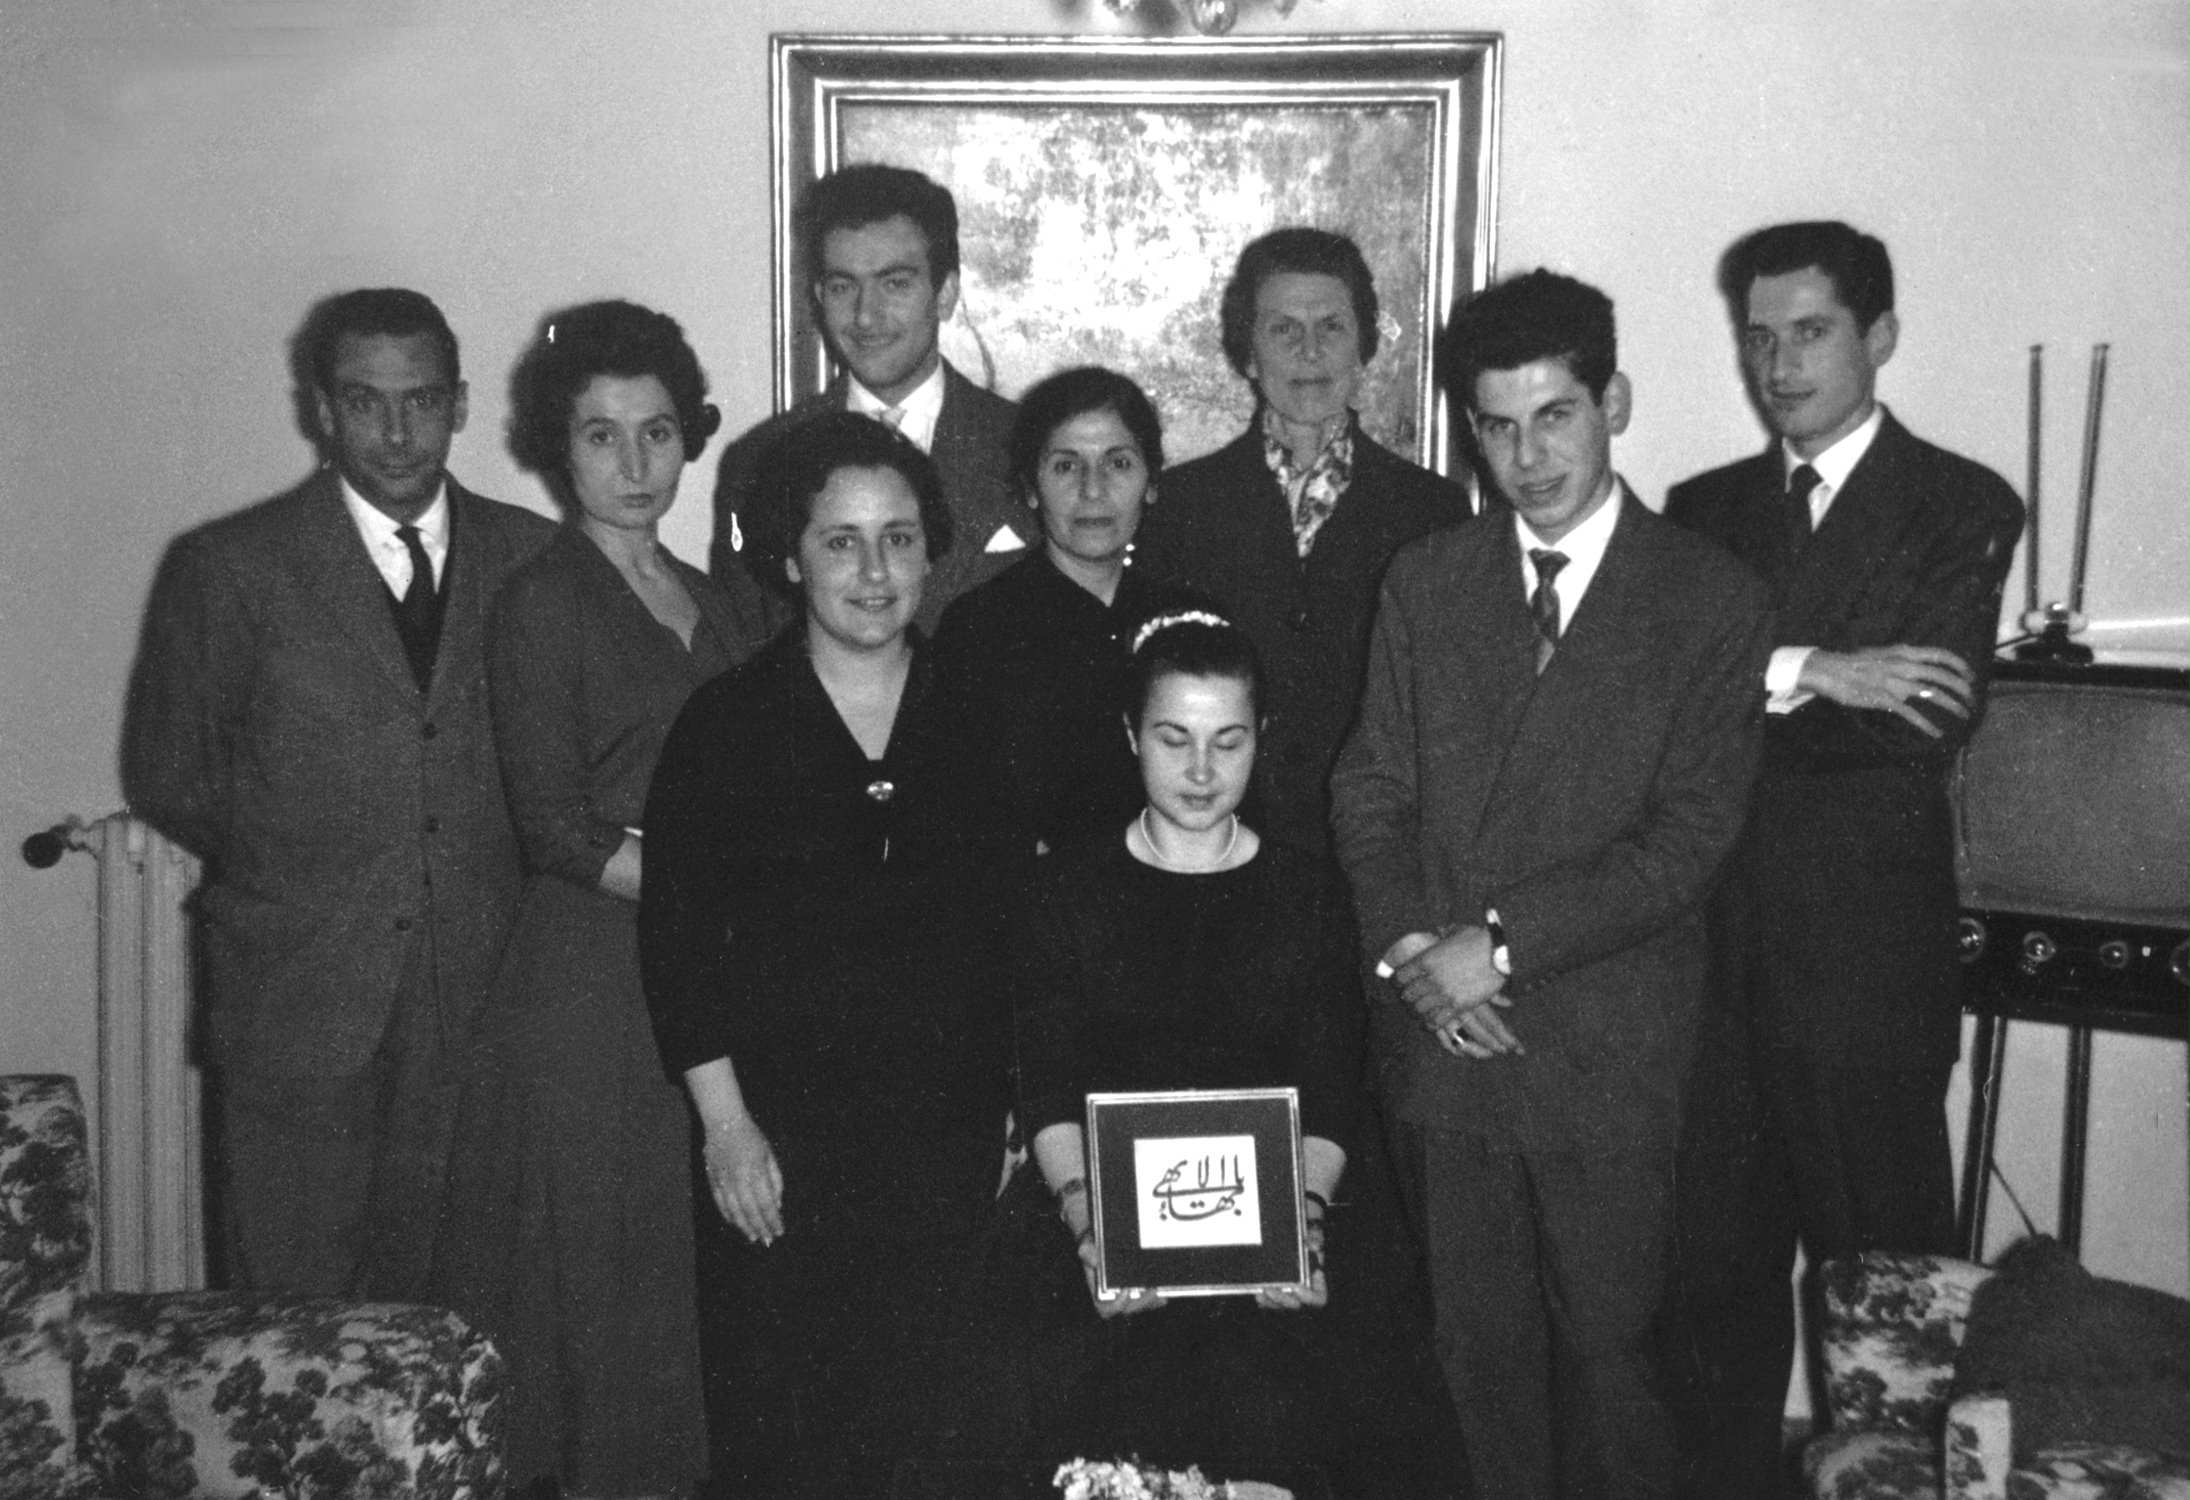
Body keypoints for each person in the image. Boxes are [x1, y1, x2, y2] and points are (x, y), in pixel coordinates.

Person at [1330, 270, 1772, 1500]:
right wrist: (1420, 955)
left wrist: (1501, 946)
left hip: (1604, 1050)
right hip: (1443, 1042)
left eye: (1554, 416)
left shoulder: (1710, 598)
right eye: (1495, 426)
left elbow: (1687, 840)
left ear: (1612, 401)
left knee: (1615, 1363)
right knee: (1473, 1362)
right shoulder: (1429, 578)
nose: (1526, 457)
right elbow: (1370, 791)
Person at [1659, 222, 2025, 1500]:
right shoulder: (1703, 513)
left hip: (1866, 985)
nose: (1778, 362)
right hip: (1712, 984)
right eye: (1758, 336)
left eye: (1808, 332)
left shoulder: (1963, 502)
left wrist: (1745, 693)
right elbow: (1664, 706)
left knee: (1892, 1320)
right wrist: (1813, 670)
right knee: (1710, 1309)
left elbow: (1919, 721)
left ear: (1879, 337)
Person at [120, 289, 554, 1298]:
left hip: (480, 994)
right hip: (300, 997)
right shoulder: (229, 568)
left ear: (459, 403)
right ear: (321, 408)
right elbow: (170, 772)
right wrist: (312, 858)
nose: (398, 432)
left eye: (421, 401)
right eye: (366, 402)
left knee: (462, 1308)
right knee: (295, 1312)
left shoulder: (533, 558)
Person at [426, 301, 771, 1500]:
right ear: (552, 446)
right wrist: (716, 893)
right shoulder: (539, 600)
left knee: (686, 1284)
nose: (635, 466)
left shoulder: (717, 595)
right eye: (601, 437)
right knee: (603, 1288)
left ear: (691, 440)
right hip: (592, 987)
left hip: (703, 968)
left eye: (659, 433)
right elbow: (555, 828)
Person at [640, 411, 1017, 1499]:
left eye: (899, 538)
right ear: (791, 554)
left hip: (946, 1145)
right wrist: (725, 1129)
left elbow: (1019, 933)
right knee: (788, 1443)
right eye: (842, 540)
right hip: (780, 1148)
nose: (873, 569)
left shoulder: (980, 711)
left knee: (939, 1432)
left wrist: (1011, 1107)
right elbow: (676, 938)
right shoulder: (727, 724)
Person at [1014, 614, 1468, 1499]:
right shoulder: (1064, 890)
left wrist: (1301, 1225)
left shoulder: (1309, 893)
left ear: (1261, 741)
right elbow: (1047, 1082)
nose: (1199, 771)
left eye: (1228, 741)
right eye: (1172, 739)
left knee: (1300, 1412)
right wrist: (1088, 1232)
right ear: (1130, 737)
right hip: (1099, 1228)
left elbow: (1334, 1084)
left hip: (1277, 1229)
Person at [1131, 227, 1471, 860]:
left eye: (1332, 327)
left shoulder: (1433, 511)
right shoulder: (1180, 506)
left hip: (1374, 854)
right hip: (1215, 848)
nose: (1309, 352)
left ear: (1363, 346)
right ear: (1249, 352)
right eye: (1284, 330)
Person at [711, 163, 1024, 637]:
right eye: (843, 286)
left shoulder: (1027, 445)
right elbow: (749, 642)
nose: (865, 315)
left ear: (945, 293)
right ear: (819, 296)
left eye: (894, 283)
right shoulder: (758, 460)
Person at [932, 366, 1216, 858]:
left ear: (1151, 482)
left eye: (1119, 463)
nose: (1093, 489)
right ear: (1029, 487)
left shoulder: (1195, 623)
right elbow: (963, 820)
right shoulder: (978, 629)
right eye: (1066, 465)